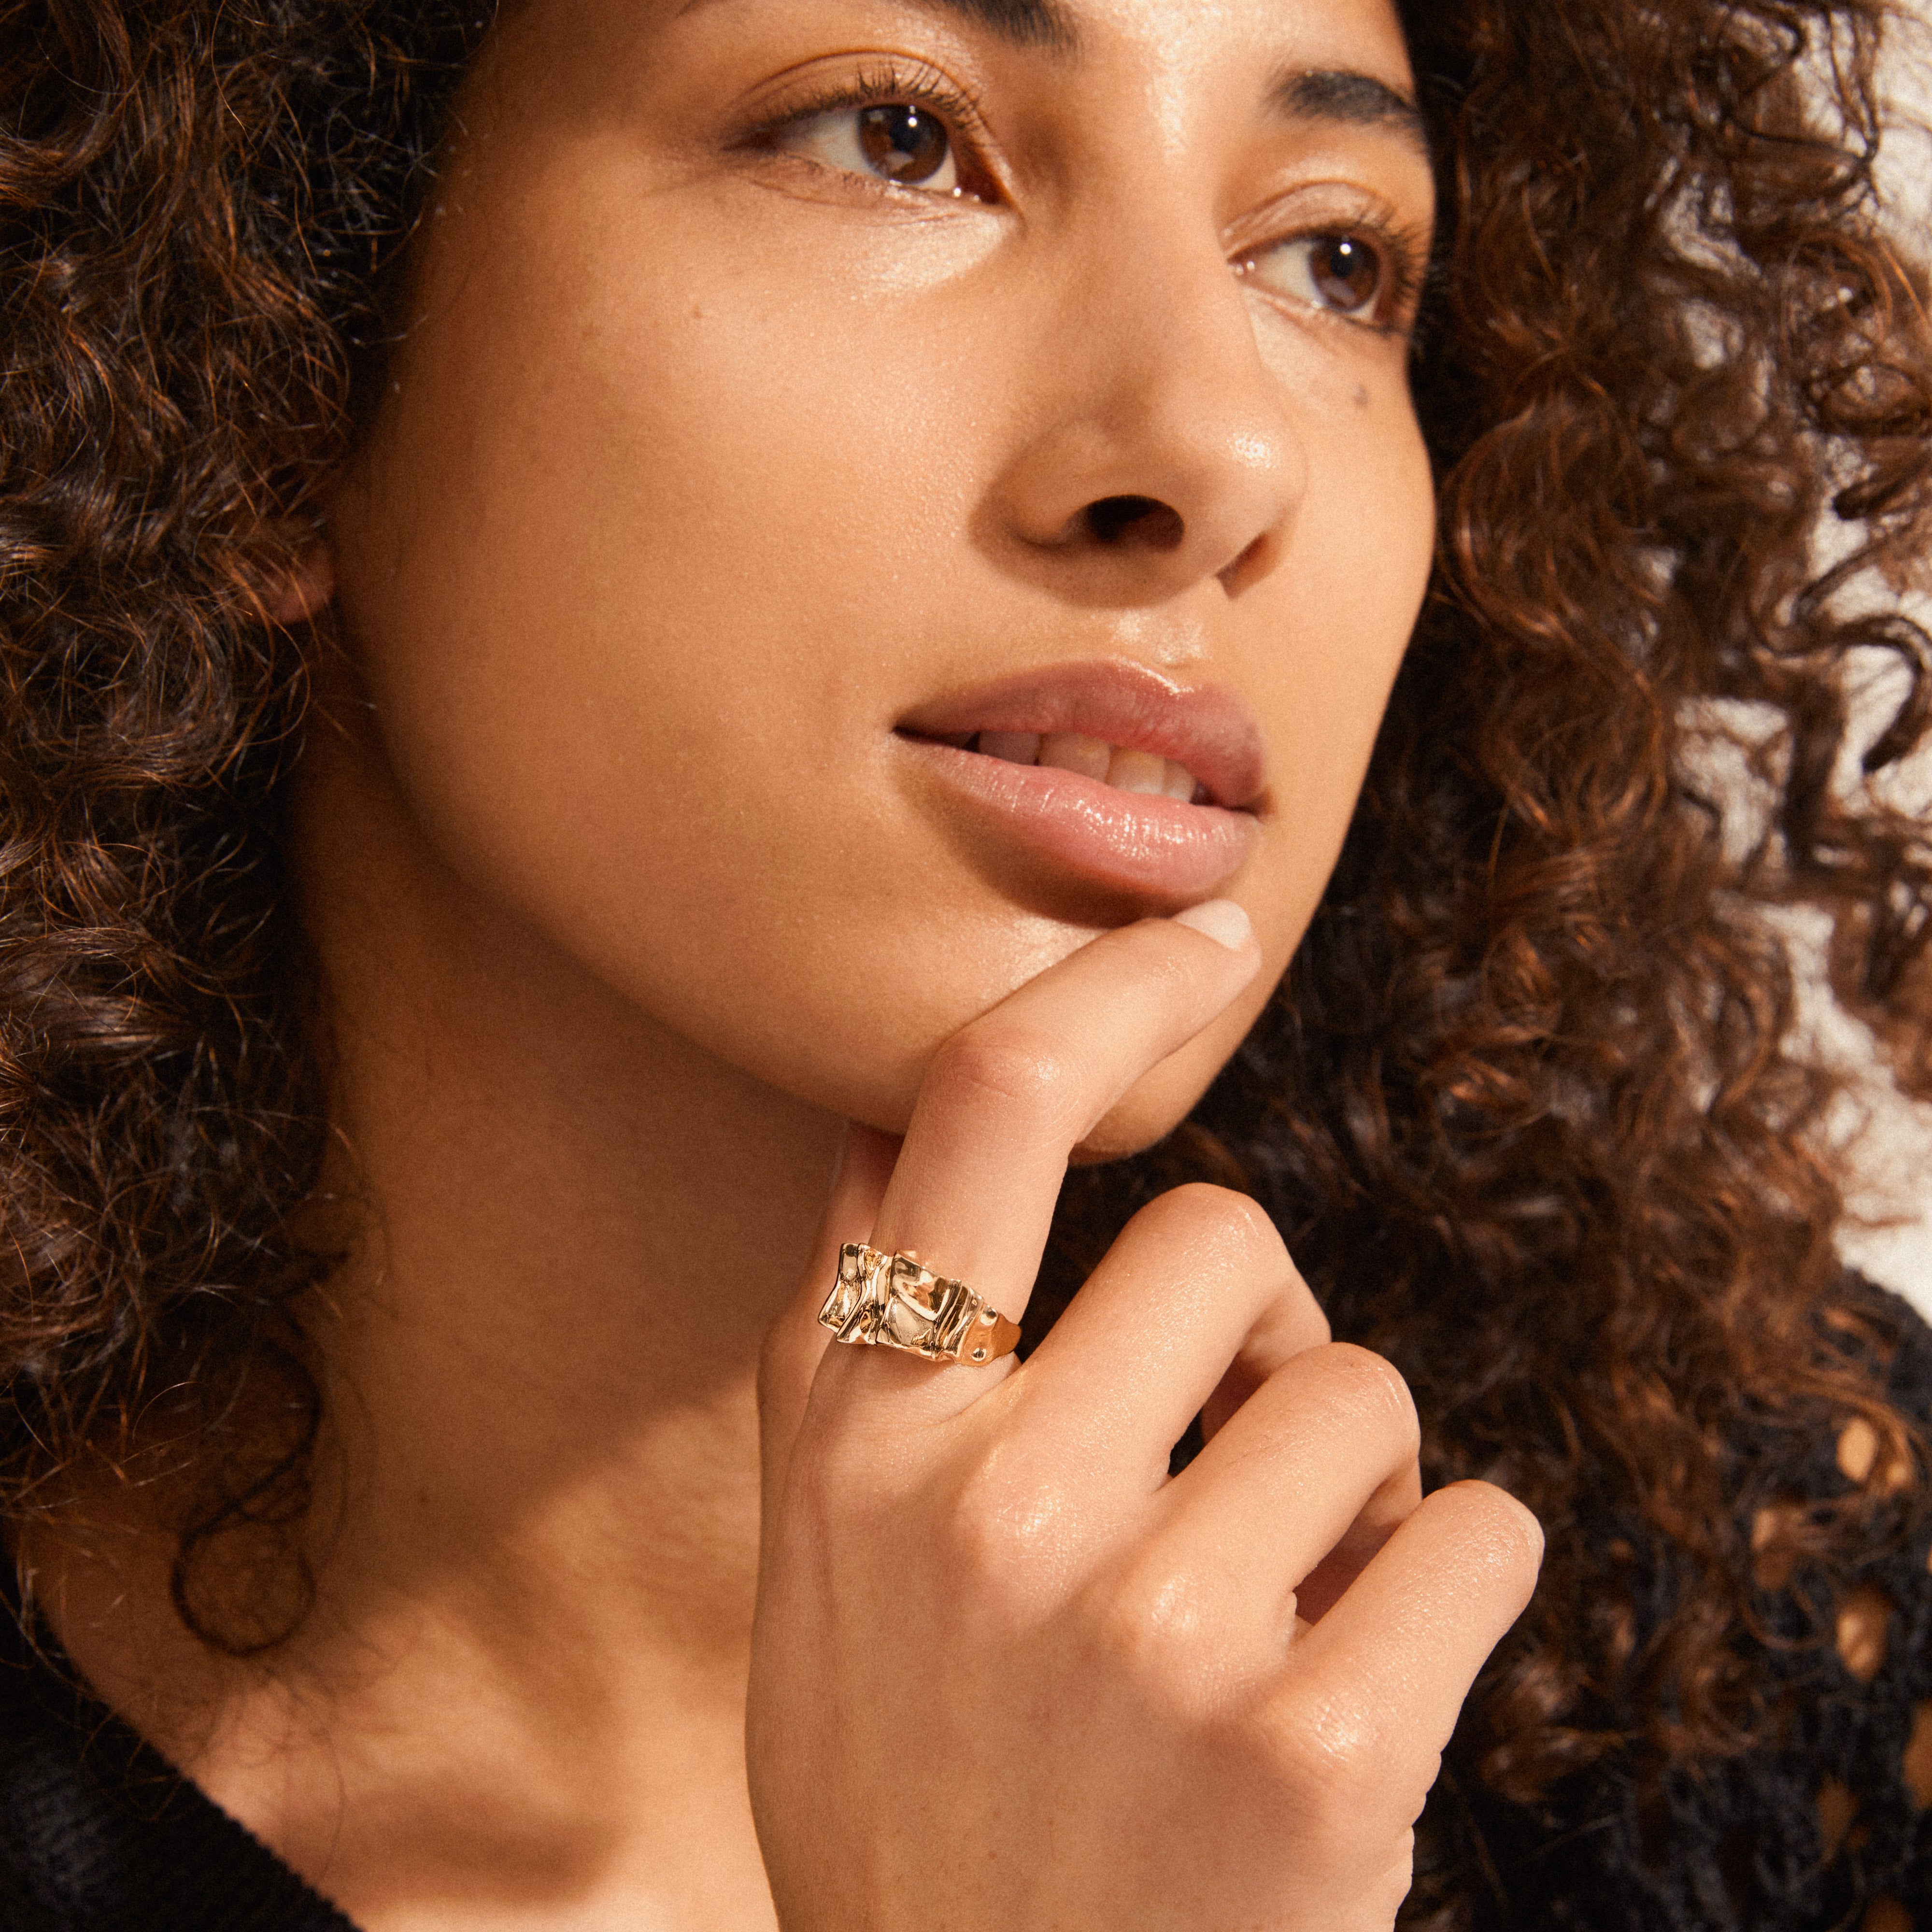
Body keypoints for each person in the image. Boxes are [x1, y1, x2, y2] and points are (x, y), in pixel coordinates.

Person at [1, 0, 1929, 1924]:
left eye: (1334, 256)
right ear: (264, 365)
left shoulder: (1769, 1598)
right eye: (893, 140)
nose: (1218, 443)